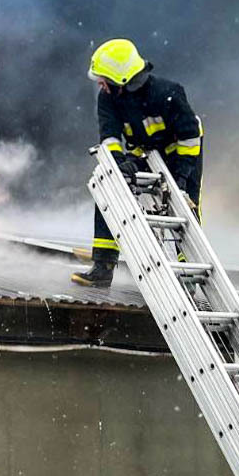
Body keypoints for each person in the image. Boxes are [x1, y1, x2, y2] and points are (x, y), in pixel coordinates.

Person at [74, 37, 204, 288]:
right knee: (108, 187)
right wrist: (120, 162)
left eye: (104, 78)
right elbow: (109, 135)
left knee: (185, 205)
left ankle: (187, 272)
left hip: (182, 151)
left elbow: (189, 139)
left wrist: (181, 179)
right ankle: (103, 266)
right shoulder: (108, 98)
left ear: (122, 79)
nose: (100, 84)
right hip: (145, 151)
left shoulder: (168, 93)